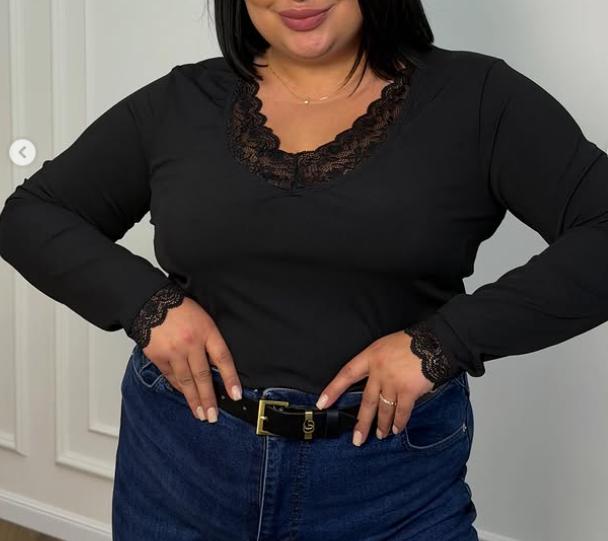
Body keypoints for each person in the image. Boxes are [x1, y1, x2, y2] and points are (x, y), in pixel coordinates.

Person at [1, 0, 607, 539]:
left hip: (391, 482)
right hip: (180, 467)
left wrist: (444, 343)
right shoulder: (180, 101)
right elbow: (31, 216)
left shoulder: (479, 98)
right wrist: (148, 308)